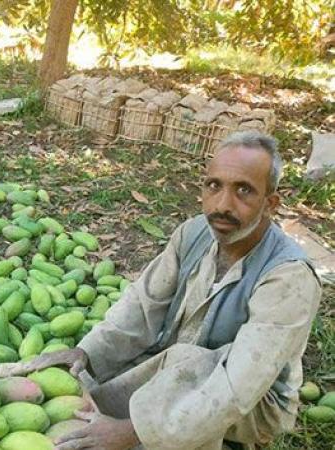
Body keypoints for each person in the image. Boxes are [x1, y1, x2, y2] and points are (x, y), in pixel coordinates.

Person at [29, 131, 322, 450]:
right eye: (214, 186)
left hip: (254, 402)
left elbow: (238, 387)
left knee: (183, 367)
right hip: (177, 366)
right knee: (108, 381)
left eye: (244, 191)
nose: (223, 204)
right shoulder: (194, 233)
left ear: (270, 204)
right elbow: (140, 310)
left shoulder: (289, 277)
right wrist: (87, 353)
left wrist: (133, 433)